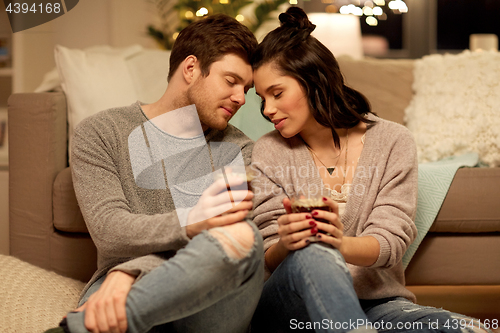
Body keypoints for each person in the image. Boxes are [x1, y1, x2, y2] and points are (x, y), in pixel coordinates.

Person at [250, 6, 492, 333]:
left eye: (277, 93)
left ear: (313, 80)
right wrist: (289, 244)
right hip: (293, 310)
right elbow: (266, 256)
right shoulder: (269, 150)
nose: (268, 110)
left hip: (376, 307)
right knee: (314, 252)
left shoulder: (393, 141)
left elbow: (390, 241)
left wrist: (339, 243)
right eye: (262, 99)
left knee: (467, 330)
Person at [45, 14, 264, 333]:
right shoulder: (102, 132)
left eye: (246, 88)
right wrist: (192, 222)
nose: (241, 99)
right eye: (231, 81)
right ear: (190, 69)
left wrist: (131, 270)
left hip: (206, 301)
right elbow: (110, 229)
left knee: (243, 235)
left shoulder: (242, 150)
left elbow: (223, 246)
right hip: (127, 291)